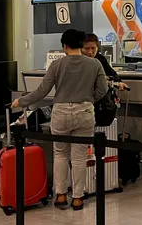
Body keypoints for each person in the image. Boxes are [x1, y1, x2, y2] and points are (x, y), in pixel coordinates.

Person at [12, 29, 108, 211]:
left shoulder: (57, 64)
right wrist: (88, 100)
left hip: (61, 112)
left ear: (64, 46)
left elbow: (42, 90)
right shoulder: (94, 64)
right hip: (84, 112)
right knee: (79, 157)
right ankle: (78, 198)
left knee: (60, 154)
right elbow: (102, 89)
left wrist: (21, 101)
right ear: (81, 45)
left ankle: (61, 194)